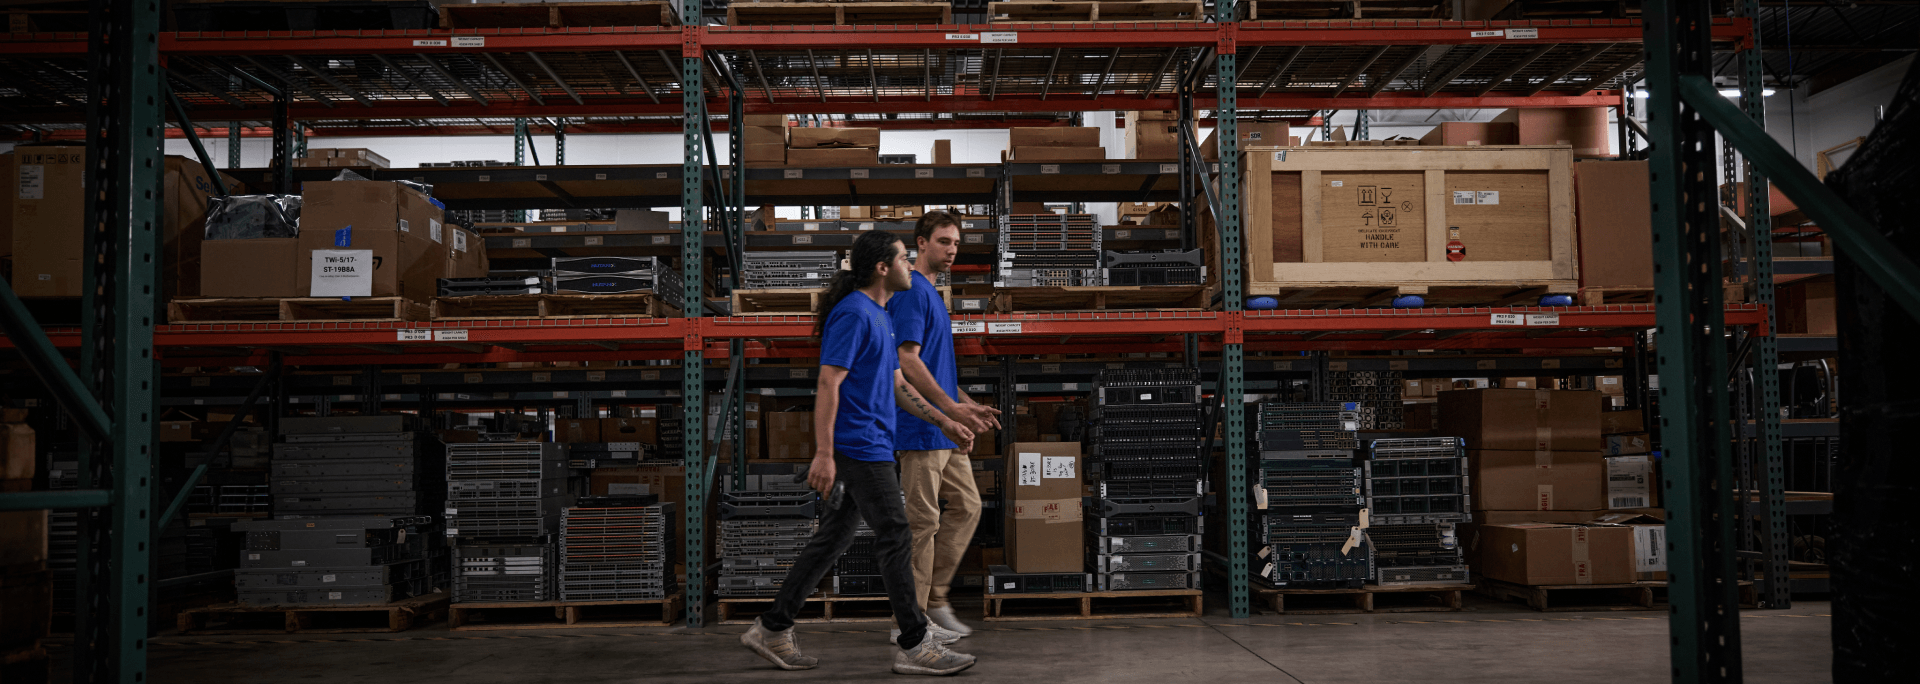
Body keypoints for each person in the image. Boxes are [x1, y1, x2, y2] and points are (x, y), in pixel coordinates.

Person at [740, 229, 981, 676]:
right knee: (896, 533)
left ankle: (772, 627)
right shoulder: (853, 315)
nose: (912, 266)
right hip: (858, 446)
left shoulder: (881, 314)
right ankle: (914, 643)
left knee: (832, 539)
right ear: (882, 268)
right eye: (905, 259)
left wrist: (946, 420)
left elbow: (898, 384)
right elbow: (828, 383)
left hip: (873, 444)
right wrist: (825, 453)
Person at [889, 212, 1001, 641]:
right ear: (921, 243)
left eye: (956, 242)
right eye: (943, 241)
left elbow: (937, 371)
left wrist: (967, 407)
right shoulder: (914, 292)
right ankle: (910, 622)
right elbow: (907, 360)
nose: (952, 249)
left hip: (944, 428)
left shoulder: (934, 294)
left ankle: (934, 601)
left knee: (968, 507)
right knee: (923, 524)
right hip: (920, 427)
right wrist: (950, 411)